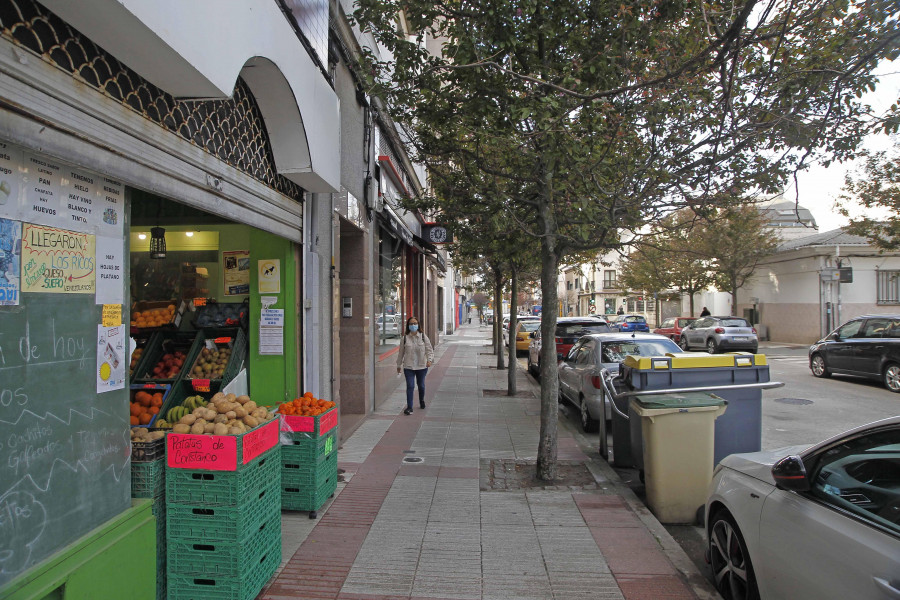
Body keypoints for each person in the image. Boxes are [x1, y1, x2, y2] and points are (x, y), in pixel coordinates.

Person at [397, 316, 434, 415]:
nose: (413, 325)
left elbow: (429, 350)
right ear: (408, 326)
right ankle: (409, 407)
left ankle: (421, 400)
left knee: (421, 385)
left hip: (421, 366)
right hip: (408, 366)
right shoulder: (404, 338)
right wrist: (398, 365)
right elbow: (401, 353)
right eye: (411, 324)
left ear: (418, 325)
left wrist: (429, 360)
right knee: (410, 386)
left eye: (415, 323)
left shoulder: (423, 337)